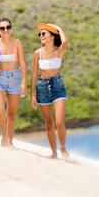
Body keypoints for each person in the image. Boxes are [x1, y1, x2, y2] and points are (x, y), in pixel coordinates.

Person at [31, 23, 69, 159]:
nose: (41, 36)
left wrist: (58, 27)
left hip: (57, 85)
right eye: (40, 34)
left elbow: (65, 41)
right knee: (49, 122)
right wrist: (33, 95)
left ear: (52, 37)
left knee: (59, 121)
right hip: (42, 86)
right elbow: (34, 74)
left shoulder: (58, 51)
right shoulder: (37, 53)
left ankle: (63, 148)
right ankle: (53, 153)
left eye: (44, 33)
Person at [0, 18, 27, 147]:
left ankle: (9, 142)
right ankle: (4, 137)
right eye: (2, 28)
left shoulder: (17, 43)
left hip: (15, 78)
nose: (6, 30)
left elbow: (22, 63)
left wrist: (23, 82)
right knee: (0, 111)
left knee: (11, 114)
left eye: (8, 27)